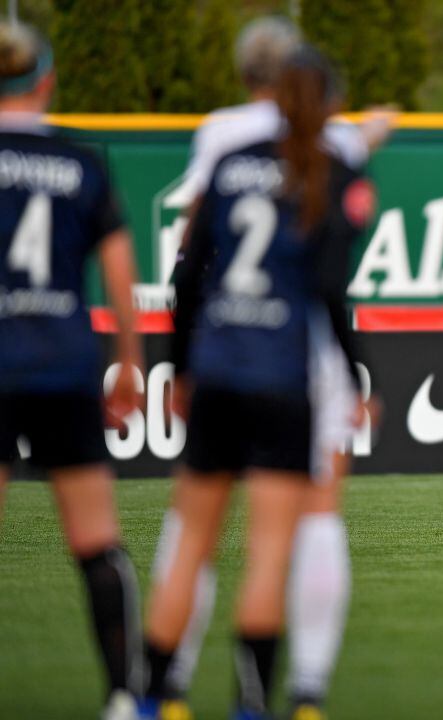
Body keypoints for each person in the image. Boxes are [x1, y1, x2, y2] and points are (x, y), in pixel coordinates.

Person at [149, 16, 385, 719]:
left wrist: (180, 367)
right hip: (293, 364)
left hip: (220, 352)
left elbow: (187, 271)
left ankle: (158, 691)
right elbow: (330, 287)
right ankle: (286, 695)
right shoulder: (336, 155)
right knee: (293, 534)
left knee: (191, 533)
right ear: (329, 99)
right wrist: (359, 375)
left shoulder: (224, 145)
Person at [0, 23, 144, 720]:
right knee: (95, 541)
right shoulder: (82, 163)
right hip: (61, 362)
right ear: (47, 81)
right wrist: (130, 364)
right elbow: (120, 274)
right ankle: (122, 695)